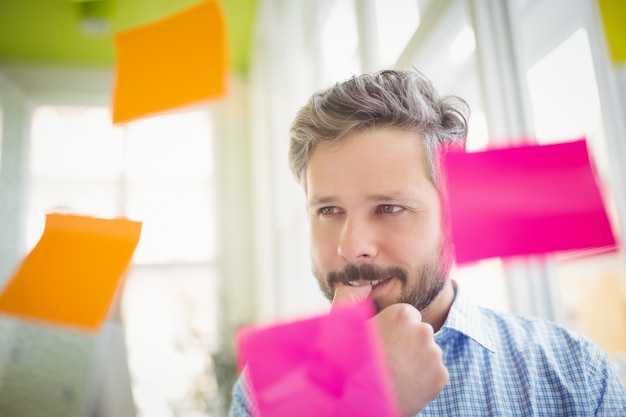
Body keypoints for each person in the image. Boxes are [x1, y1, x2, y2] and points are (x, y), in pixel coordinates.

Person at [228, 69, 626, 416]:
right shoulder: (264, 391)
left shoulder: (575, 373)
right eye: (329, 211)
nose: (351, 247)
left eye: (389, 208)